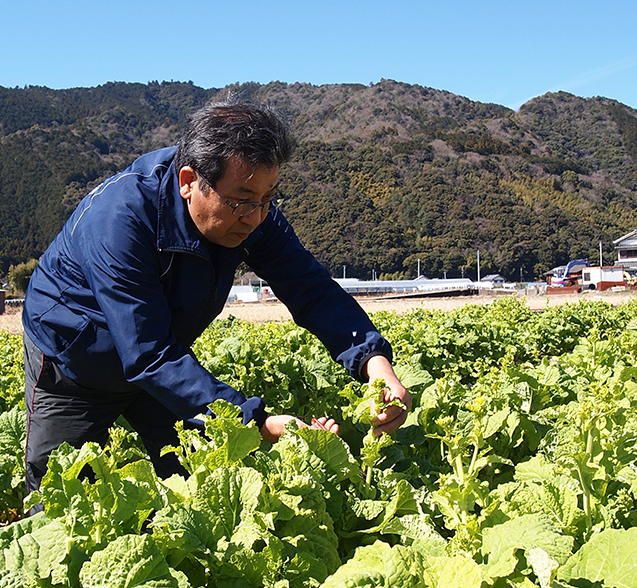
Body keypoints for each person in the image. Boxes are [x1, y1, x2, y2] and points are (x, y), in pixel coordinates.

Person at [21, 99, 411, 494]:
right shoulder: (120, 218)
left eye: (267, 199)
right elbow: (148, 352)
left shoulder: (253, 212)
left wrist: (373, 362)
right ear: (189, 181)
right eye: (241, 200)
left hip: (166, 363)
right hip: (74, 364)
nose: (255, 217)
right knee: (63, 502)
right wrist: (254, 422)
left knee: (201, 489)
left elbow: (309, 287)